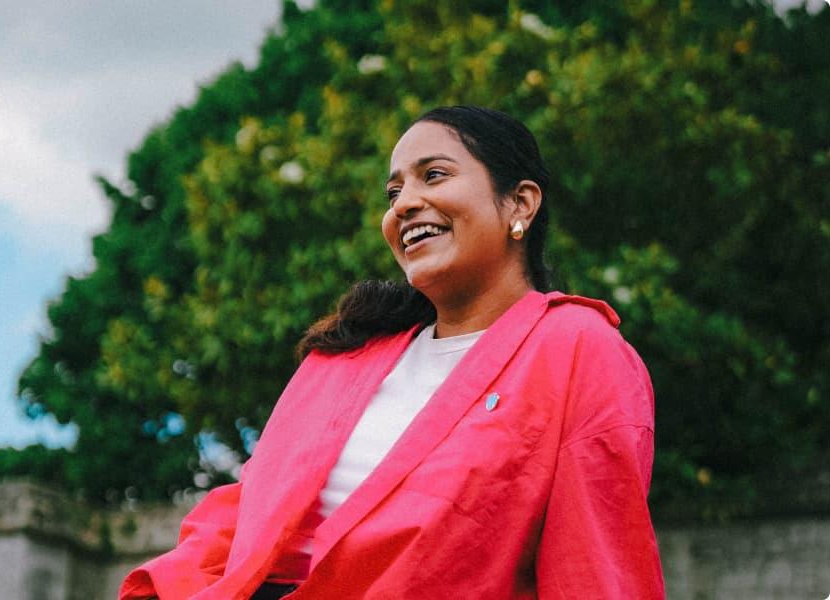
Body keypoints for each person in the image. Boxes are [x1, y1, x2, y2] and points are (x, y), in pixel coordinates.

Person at [119, 106, 664, 599]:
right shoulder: (342, 359)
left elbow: (594, 560)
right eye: (393, 191)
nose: (404, 204)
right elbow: (243, 516)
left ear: (519, 203)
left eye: (434, 175)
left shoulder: (576, 348)